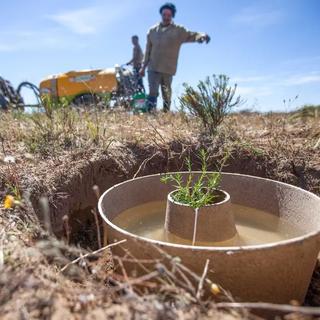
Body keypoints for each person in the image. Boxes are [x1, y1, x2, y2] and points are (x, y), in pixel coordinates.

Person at [140, 3, 210, 112]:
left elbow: (192, 35)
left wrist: (202, 36)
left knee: (166, 93)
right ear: (161, 14)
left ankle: (166, 113)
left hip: (168, 68)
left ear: (172, 15)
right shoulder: (152, 31)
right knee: (152, 91)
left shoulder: (179, 30)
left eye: (169, 15)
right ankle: (150, 115)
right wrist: (143, 67)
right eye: (164, 14)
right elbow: (147, 50)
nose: (166, 17)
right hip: (153, 67)